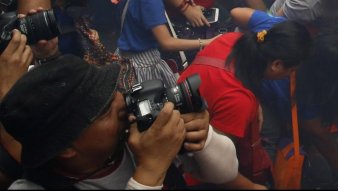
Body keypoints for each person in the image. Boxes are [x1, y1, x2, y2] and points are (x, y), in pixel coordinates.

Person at [0, 55, 239, 189]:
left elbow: (226, 173)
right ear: (66, 149)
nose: (122, 104)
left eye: (112, 91)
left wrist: (204, 138)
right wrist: (151, 169)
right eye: (104, 111)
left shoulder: (137, 129)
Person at [178, 19, 311, 187]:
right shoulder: (238, 102)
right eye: (291, 71)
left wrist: (255, 104)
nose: (289, 75)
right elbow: (214, 164)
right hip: (194, 166)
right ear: (276, 65)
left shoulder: (232, 39)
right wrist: (253, 187)